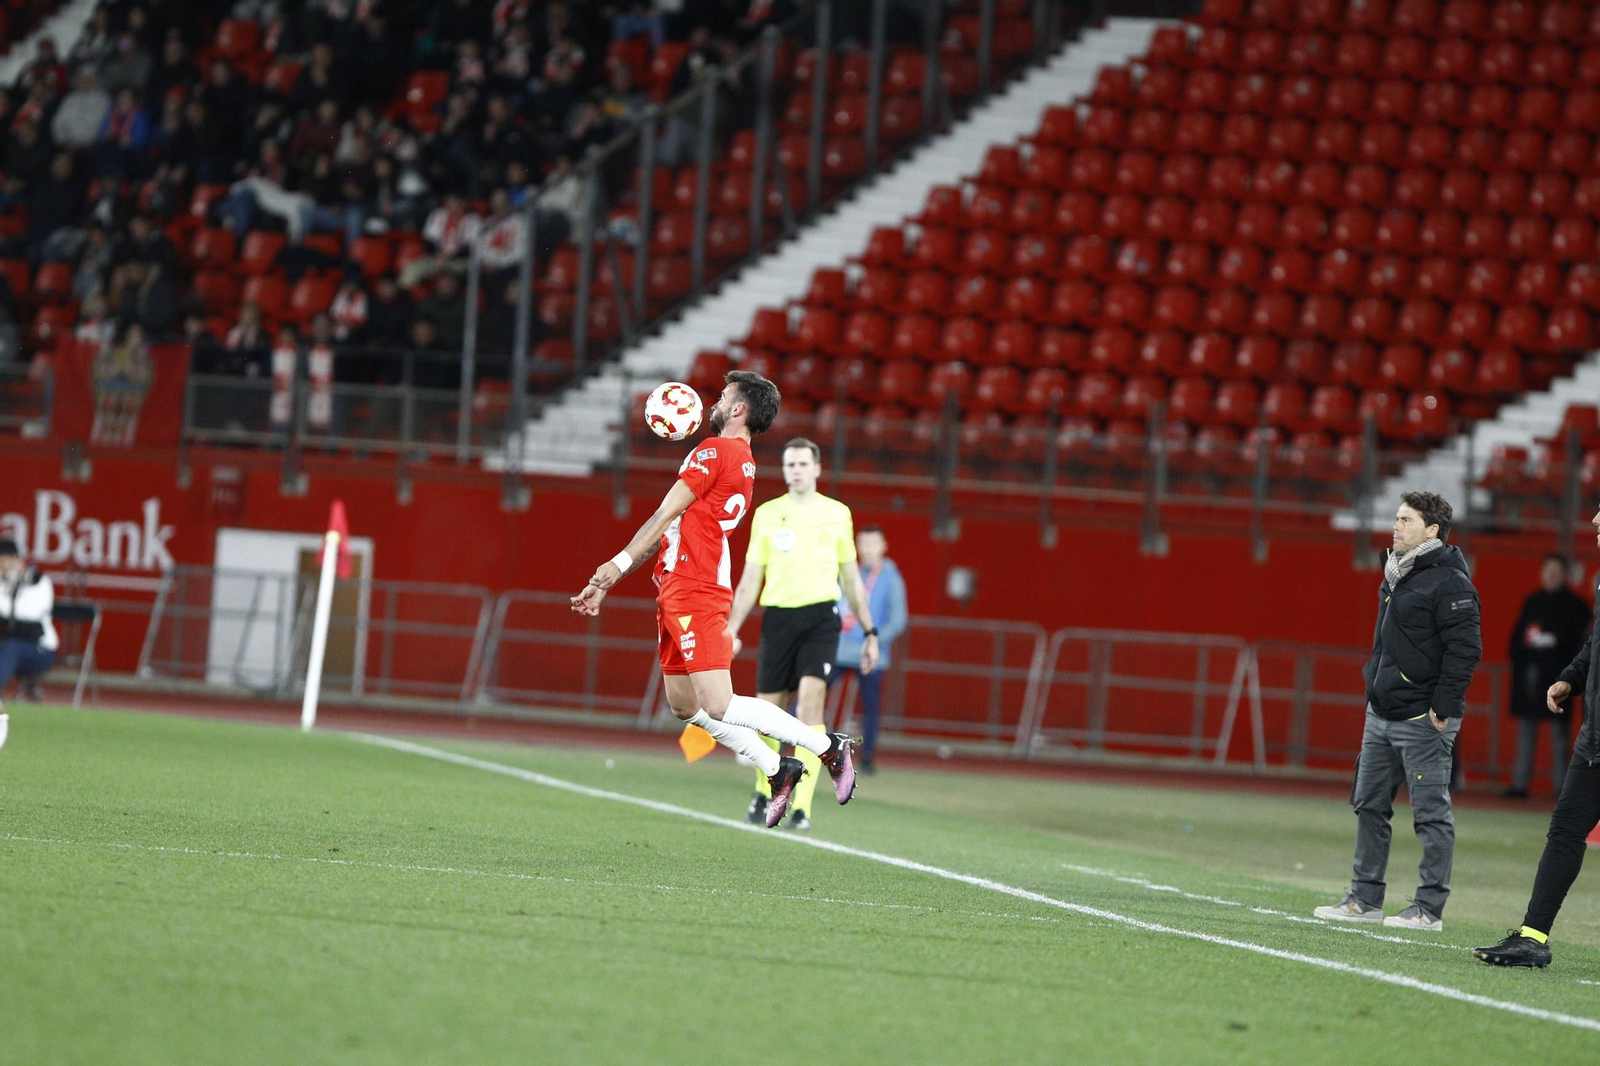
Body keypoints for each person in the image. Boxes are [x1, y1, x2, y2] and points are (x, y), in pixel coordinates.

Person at [571, 373, 859, 828]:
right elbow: (671, 526)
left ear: (739, 409)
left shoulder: (715, 451)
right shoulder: (742, 461)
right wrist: (621, 574)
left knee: (719, 703)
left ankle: (827, 747)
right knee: (685, 705)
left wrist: (613, 568)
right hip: (676, 582)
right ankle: (777, 768)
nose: (716, 402)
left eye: (724, 397)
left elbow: (664, 513)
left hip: (694, 584)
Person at [1313, 491, 1482, 932]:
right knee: (1368, 804)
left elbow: (1465, 651)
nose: (1395, 525)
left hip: (1421, 719)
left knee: (1430, 815)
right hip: (1382, 713)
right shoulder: (1397, 572)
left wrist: (1442, 708)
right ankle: (1364, 899)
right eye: (1396, 517)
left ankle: (1428, 909)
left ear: (1432, 531)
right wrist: (1374, 686)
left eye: (1406, 520)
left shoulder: (1450, 581)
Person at [727, 438, 879, 831]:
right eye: (788, 464)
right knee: (767, 712)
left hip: (820, 620)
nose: (794, 470)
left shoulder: (837, 514)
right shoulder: (766, 513)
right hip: (778, 617)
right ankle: (765, 792)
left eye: (801, 463)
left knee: (811, 707)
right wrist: (731, 627)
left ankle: (803, 808)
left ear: (817, 468)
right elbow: (749, 580)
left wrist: (870, 631)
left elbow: (850, 577)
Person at [1473, 507, 1600, 969]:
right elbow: (1594, 644)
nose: (1596, 521)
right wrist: (1571, 678)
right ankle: (1532, 937)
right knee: (1565, 830)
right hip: (1594, 739)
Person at [1504, 553, 1590, 798]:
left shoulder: (1576, 606)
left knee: (1560, 736)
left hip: (1559, 677)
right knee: (1525, 732)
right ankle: (1520, 784)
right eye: (1547, 571)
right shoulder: (1532, 601)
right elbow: (1517, 640)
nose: (1551, 576)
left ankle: (1562, 788)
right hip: (1529, 677)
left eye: (1556, 571)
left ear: (1565, 574)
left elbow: (1577, 644)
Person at [833, 525, 908, 774]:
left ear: (883, 546)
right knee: (809, 692)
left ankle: (866, 757)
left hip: (871, 655)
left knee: (871, 709)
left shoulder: (892, 578)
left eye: (873, 544)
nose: (867, 549)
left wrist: (873, 640)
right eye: (863, 543)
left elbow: (898, 619)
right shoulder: (845, 571)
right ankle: (786, 744)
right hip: (839, 649)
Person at [0, 538, 59, 751]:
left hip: (40, 651)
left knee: (12, 648)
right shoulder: (3, 581)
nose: (2, 567)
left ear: (17, 559)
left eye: (6, 561)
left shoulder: (39, 581)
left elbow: (28, 613)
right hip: (9, 649)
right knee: (9, 647)